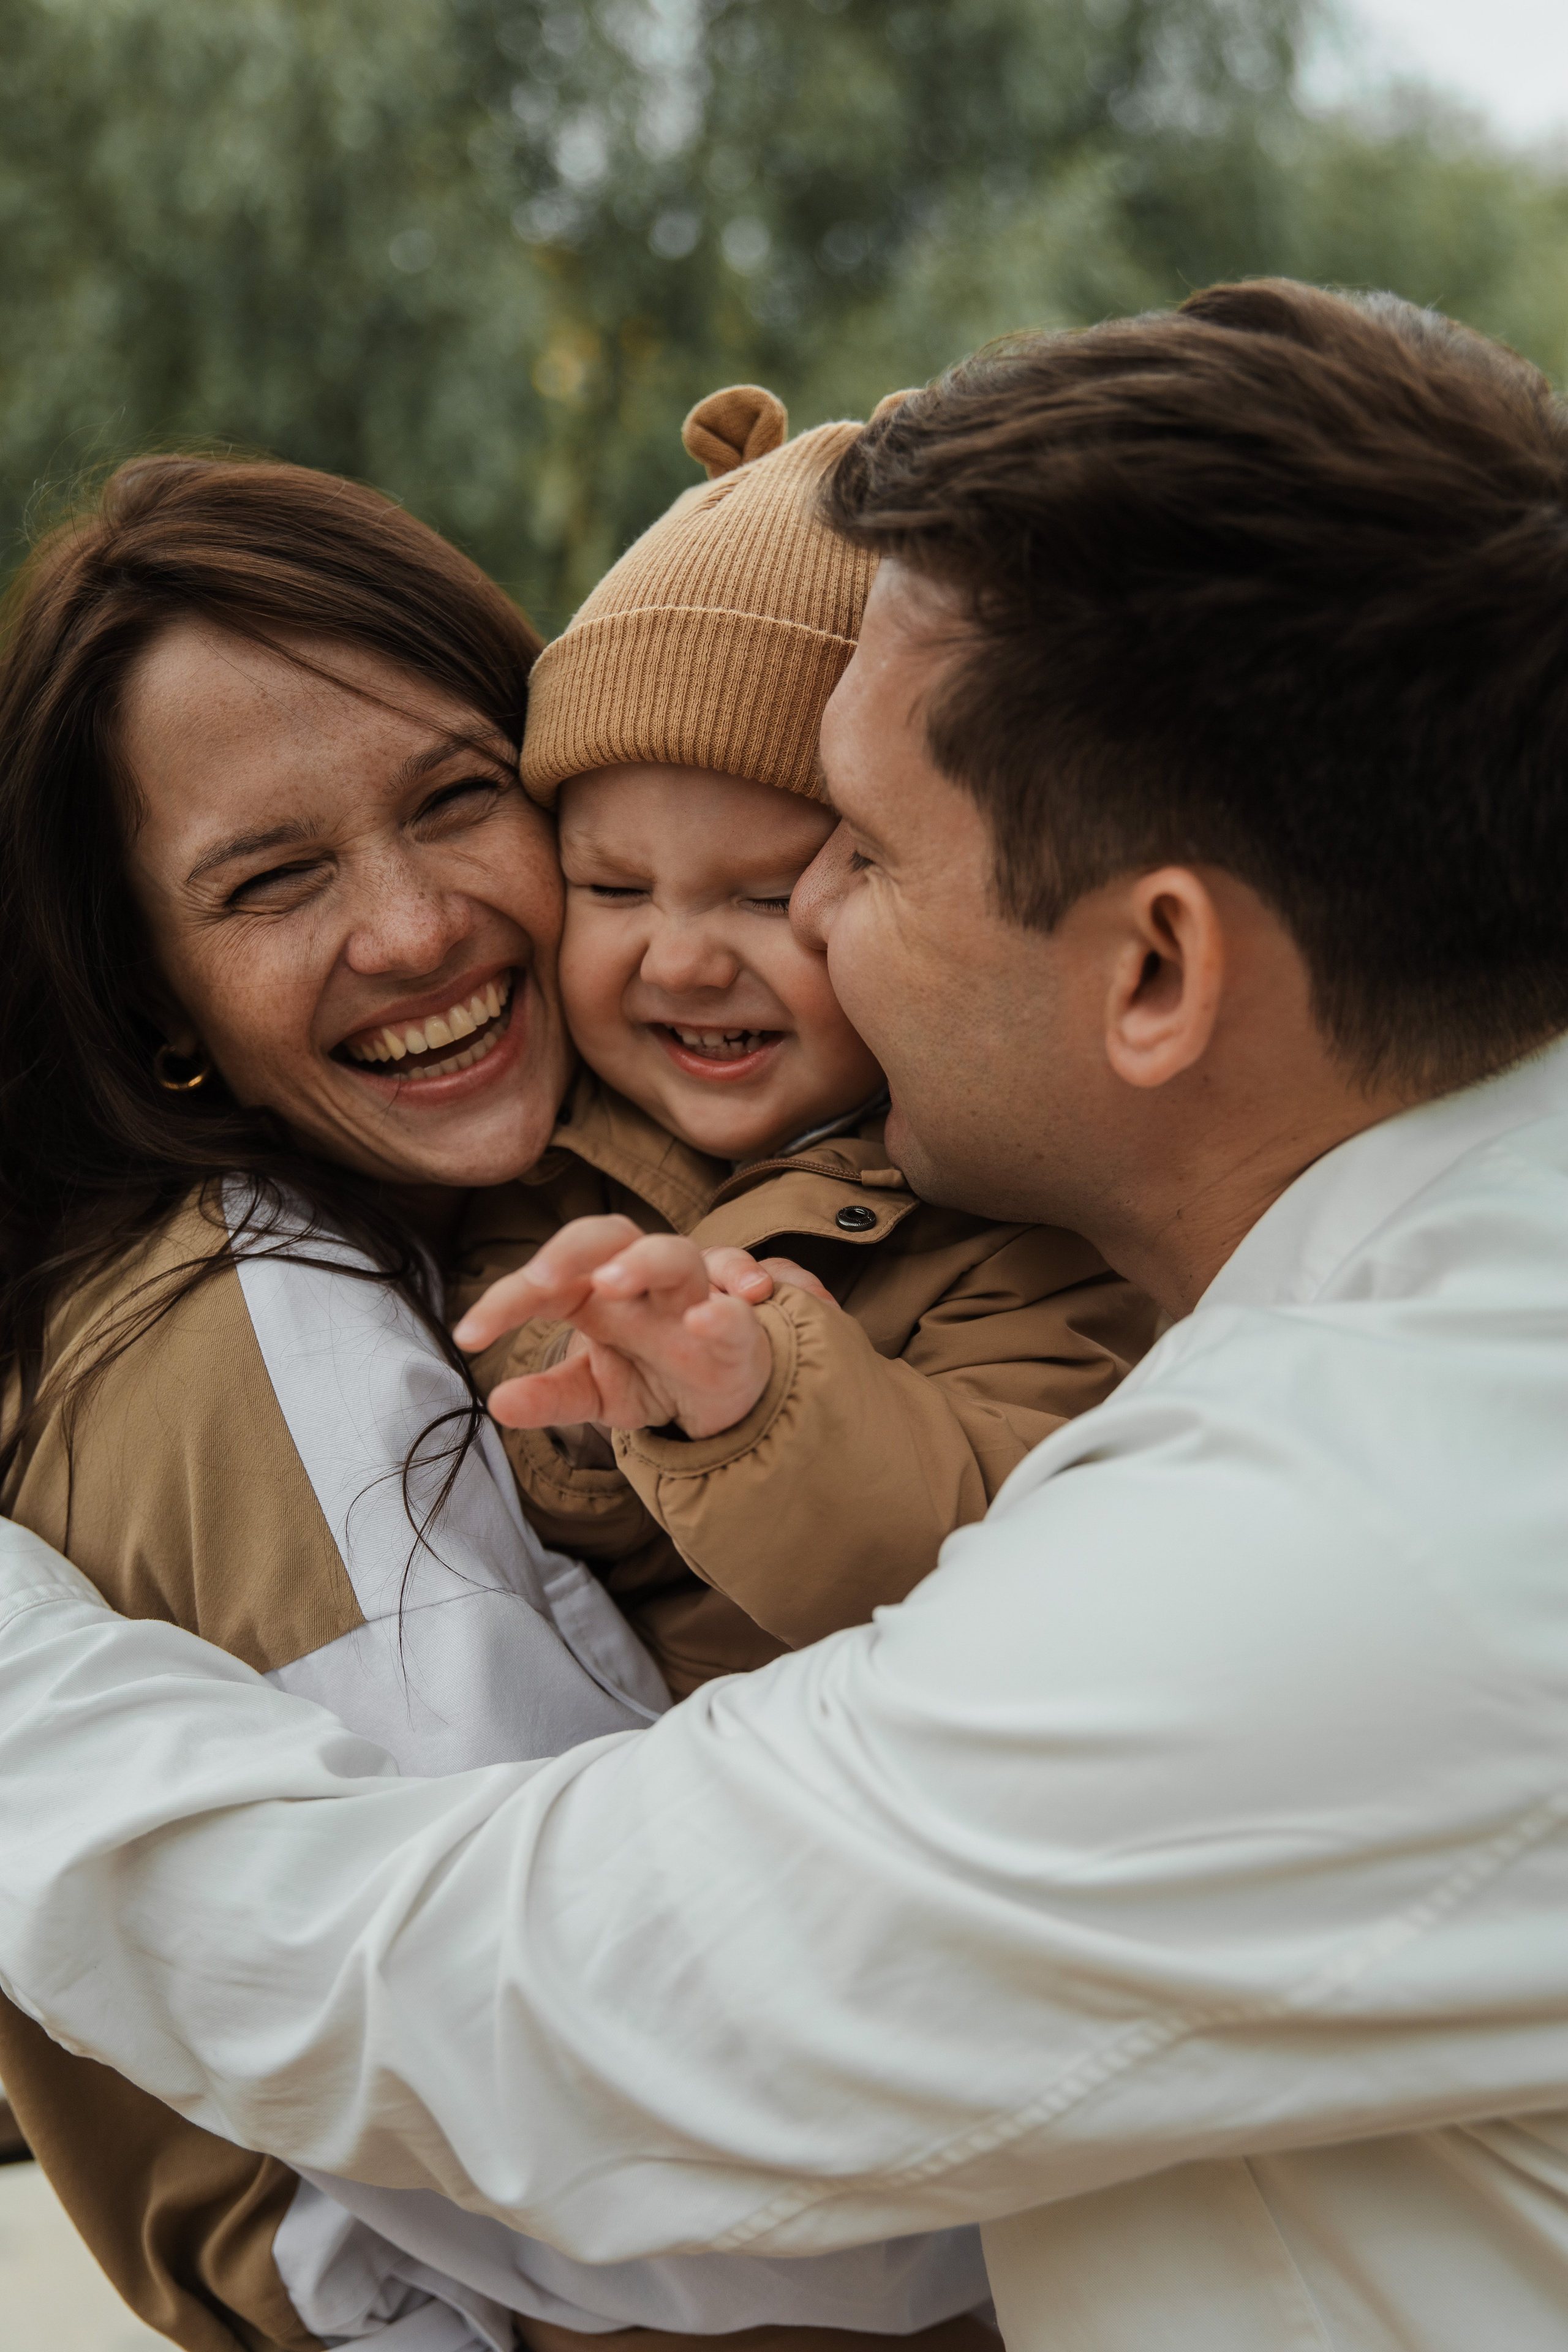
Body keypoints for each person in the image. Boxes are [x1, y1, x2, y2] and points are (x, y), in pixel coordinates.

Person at [4, 277, 1568, 2352]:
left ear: (1156, 973)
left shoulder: (1362, 1540)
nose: (777, 930)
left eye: (851, 853)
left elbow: (535, 2007)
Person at [0, 457, 990, 2352]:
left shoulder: (540, 1222)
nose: (413, 925)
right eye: (272, 882)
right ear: (154, 999)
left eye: (459, 800)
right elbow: (635, 2104)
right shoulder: (253, 1317)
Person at [457, 379, 1152, 1691]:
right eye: (612, 888)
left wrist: (750, 1390)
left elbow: (998, 1527)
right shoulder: (527, 1139)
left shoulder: (1012, 1209)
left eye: (767, 897)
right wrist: (588, 1385)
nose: (678, 958)